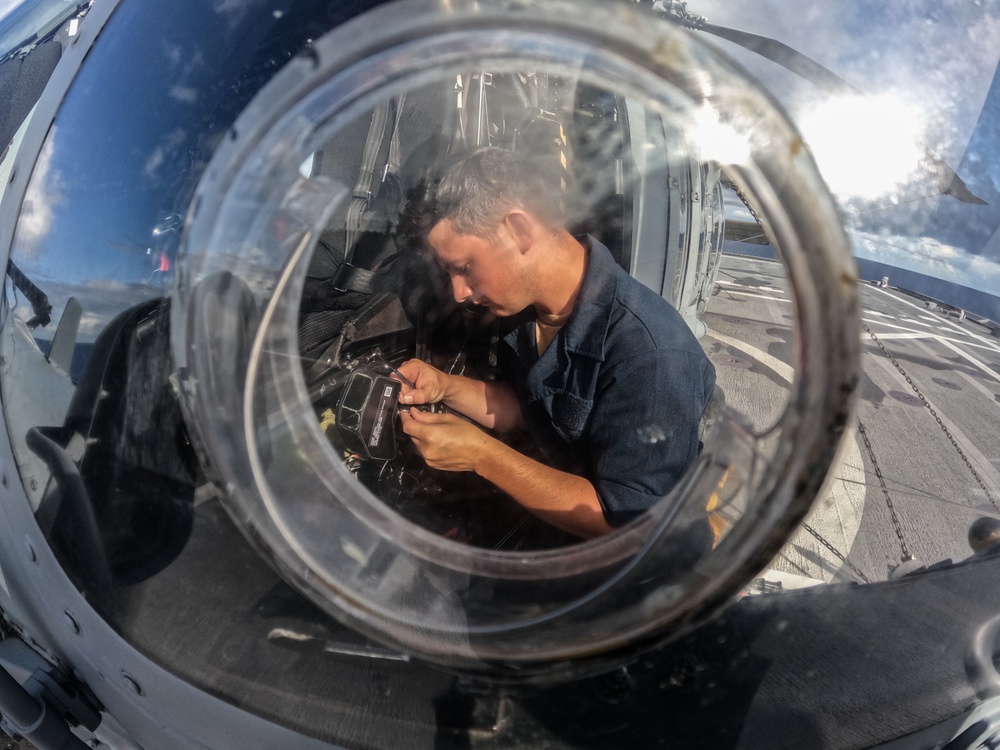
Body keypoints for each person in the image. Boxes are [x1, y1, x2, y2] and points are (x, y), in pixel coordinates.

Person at [396, 147, 716, 539]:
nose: (459, 292)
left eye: (464, 268)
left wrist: (481, 455)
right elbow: (534, 410)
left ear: (518, 230)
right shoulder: (527, 310)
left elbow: (633, 527)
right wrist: (445, 387)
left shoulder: (652, 355)